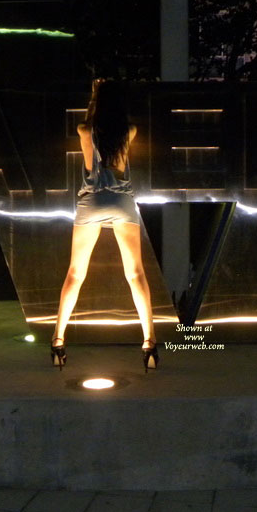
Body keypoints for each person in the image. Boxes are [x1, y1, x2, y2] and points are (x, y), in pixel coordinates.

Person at [50, 79, 158, 373]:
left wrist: (93, 94)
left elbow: (88, 122)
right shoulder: (128, 131)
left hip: (92, 201)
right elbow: (116, 120)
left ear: (97, 105)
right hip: (121, 202)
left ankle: (58, 341)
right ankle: (149, 344)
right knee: (135, 274)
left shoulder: (85, 131)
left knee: (75, 273)